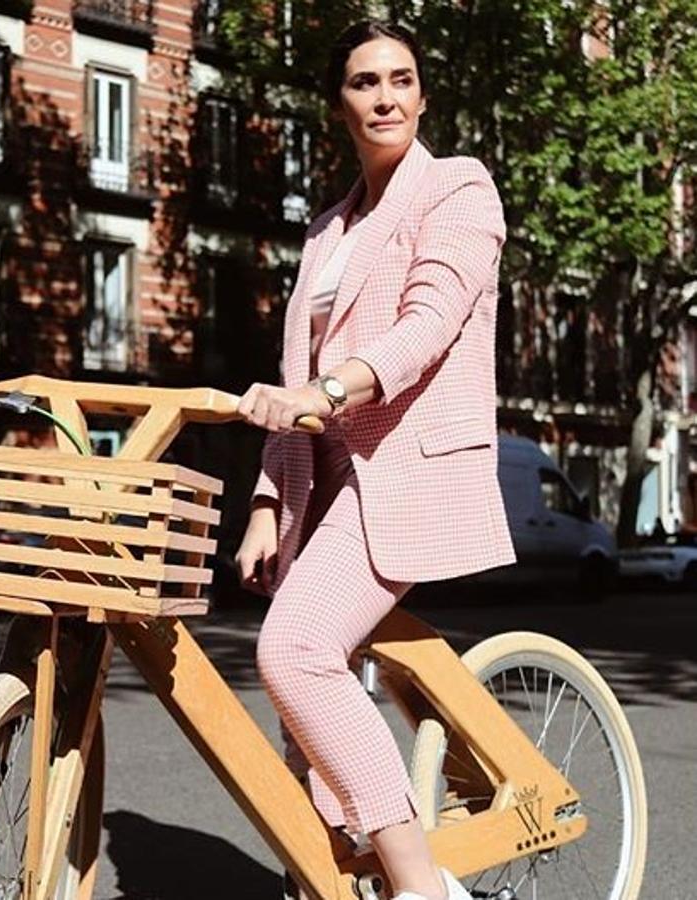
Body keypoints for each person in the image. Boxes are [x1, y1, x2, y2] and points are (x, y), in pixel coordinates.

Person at [235, 19, 517, 900]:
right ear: (340, 104)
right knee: (300, 711)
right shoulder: (327, 231)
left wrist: (332, 388)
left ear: (424, 95)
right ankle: (328, 883)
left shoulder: (460, 190)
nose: (386, 95)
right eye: (365, 82)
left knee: (296, 652)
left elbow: (426, 327)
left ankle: (416, 886)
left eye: (402, 79)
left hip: (409, 468)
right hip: (324, 481)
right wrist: (265, 503)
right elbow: (291, 382)